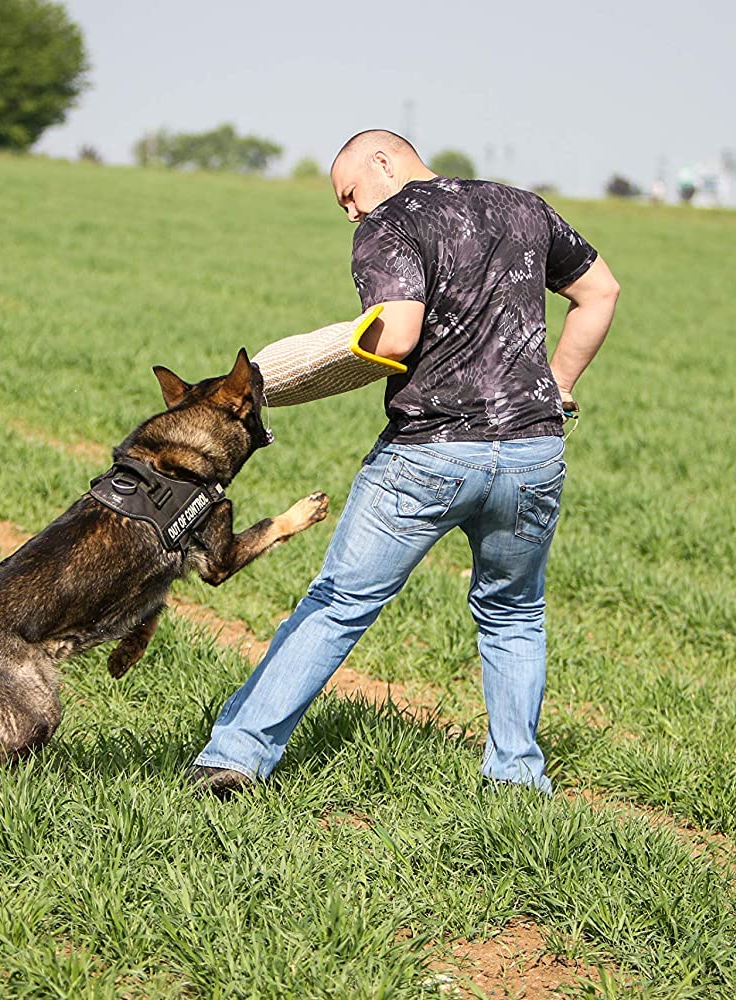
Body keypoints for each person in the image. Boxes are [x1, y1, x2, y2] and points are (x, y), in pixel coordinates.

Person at [189, 130, 620, 797]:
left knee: (338, 603)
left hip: (431, 455)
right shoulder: (524, 207)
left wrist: (302, 368)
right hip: (534, 451)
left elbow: (398, 331)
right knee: (514, 614)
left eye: (349, 195)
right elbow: (601, 291)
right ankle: (515, 779)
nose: (353, 213)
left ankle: (234, 760)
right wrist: (557, 386)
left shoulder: (391, 221)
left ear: (383, 162)